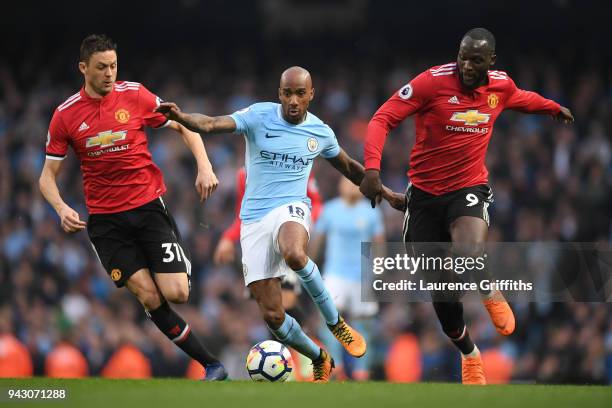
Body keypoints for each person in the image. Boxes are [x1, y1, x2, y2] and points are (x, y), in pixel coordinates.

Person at [156, 66, 405, 382]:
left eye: (300, 93)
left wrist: (388, 193)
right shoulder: (259, 116)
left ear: (311, 95)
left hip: (292, 208)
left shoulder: (320, 131)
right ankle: (320, 357)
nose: (293, 100)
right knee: (273, 316)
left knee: (295, 254)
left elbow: (352, 169)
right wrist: (181, 117)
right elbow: (211, 123)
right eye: (287, 93)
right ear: (279, 93)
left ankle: (335, 323)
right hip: (254, 220)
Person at [359, 28, 574, 384]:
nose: (467, 65)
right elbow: (382, 119)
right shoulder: (431, 82)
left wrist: (552, 108)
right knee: (443, 292)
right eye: (462, 57)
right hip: (424, 197)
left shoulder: (499, 86)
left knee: (468, 250)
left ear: (491, 61)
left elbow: (522, 98)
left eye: (476, 60)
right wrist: (371, 169)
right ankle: (470, 355)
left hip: (467, 188)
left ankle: (490, 292)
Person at [38, 34, 228, 381]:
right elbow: (46, 177)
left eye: (113, 65)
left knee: (177, 294)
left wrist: (205, 166)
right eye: (101, 67)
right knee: (148, 295)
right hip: (106, 222)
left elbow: (184, 126)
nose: (109, 73)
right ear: (83, 68)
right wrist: (61, 207)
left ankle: (171, 265)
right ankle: (212, 364)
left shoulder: (135, 95)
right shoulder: (65, 115)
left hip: (147, 208)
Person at [213, 167, 323, 321]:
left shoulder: (296, 162)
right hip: (261, 244)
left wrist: (300, 225)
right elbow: (244, 216)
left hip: (287, 241)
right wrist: (228, 238)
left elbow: (316, 204)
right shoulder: (244, 174)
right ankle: (281, 343)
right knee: (268, 308)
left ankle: (304, 341)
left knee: (287, 301)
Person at [310, 177, 385, 380]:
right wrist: (308, 268)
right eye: (346, 182)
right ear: (339, 186)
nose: (350, 186)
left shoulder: (371, 211)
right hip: (335, 274)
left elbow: (379, 243)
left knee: (364, 323)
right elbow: (317, 240)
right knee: (329, 320)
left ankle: (362, 371)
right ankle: (337, 367)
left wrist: (379, 270)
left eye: (354, 183)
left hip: (363, 276)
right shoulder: (330, 210)